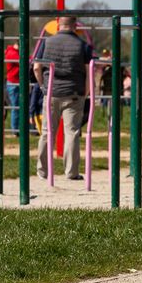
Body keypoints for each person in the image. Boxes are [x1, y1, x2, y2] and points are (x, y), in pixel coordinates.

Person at [33, 16, 93, 180]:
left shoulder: (46, 42)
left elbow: (37, 67)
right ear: (75, 26)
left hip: (51, 92)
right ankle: (71, 172)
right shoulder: (83, 46)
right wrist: (85, 93)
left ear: (58, 25)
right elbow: (89, 73)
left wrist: (42, 87)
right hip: (74, 93)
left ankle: (43, 170)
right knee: (72, 132)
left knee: (47, 132)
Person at [4, 42, 20, 136]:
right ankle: (15, 131)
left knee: (17, 107)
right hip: (13, 83)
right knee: (15, 107)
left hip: (15, 82)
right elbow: (21, 60)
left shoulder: (14, 52)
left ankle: (17, 129)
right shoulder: (12, 52)